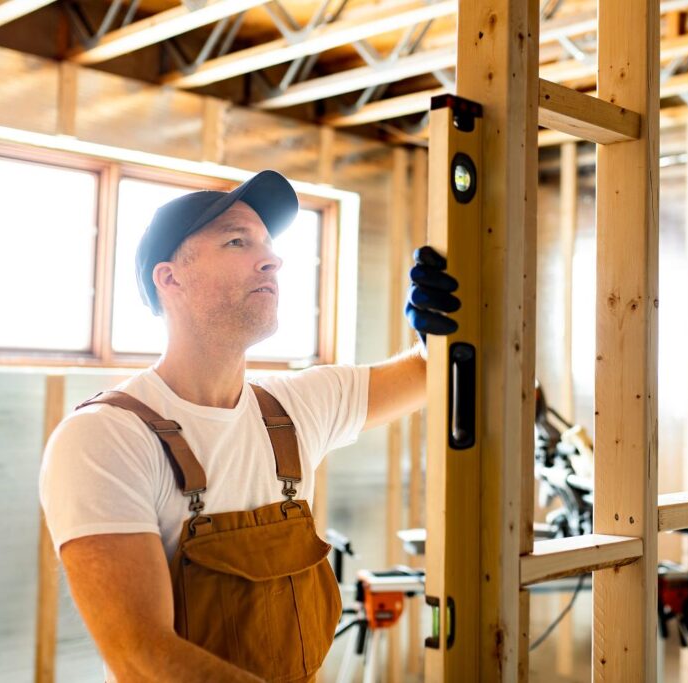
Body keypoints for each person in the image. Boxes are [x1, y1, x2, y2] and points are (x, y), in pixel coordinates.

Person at [39, 170, 460, 683]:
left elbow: (428, 371)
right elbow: (142, 657)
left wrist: (440, 325)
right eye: (238, 240)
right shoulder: (105, 438)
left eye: (269, 244)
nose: (273, 258)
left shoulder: (294, 408)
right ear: (170, 278)